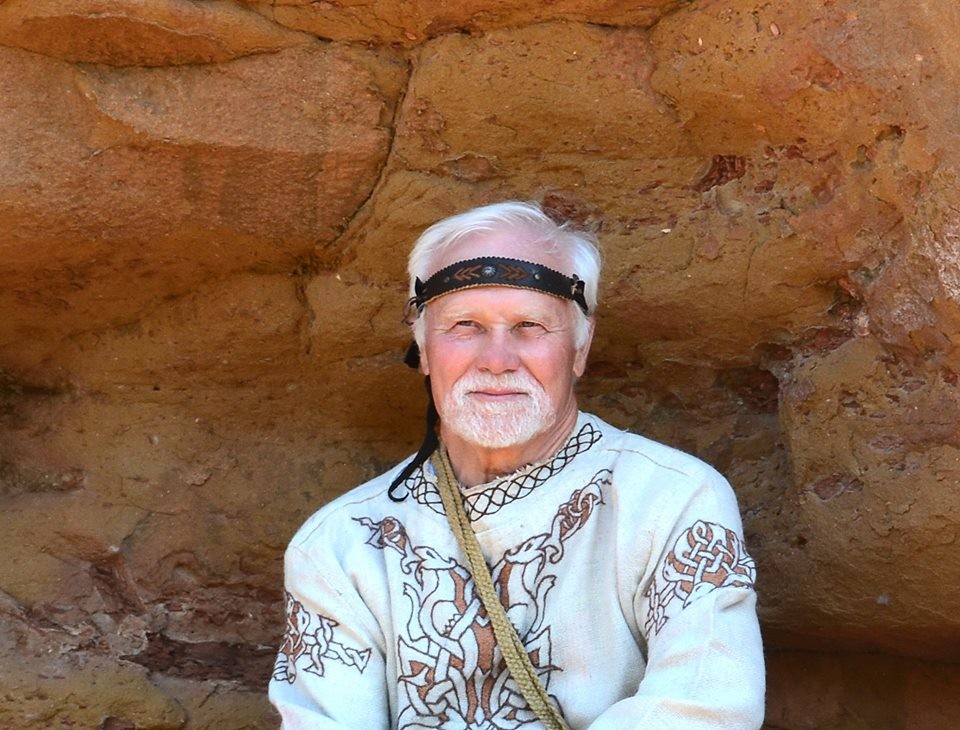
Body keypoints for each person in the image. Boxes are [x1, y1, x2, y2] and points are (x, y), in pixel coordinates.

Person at [268, 201, 765, 729]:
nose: (497, 360)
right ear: (424, 347)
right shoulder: (342, 543)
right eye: (465, 325)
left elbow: (707, 710)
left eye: (530, 325)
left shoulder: (670, 499)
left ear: (580, 347)